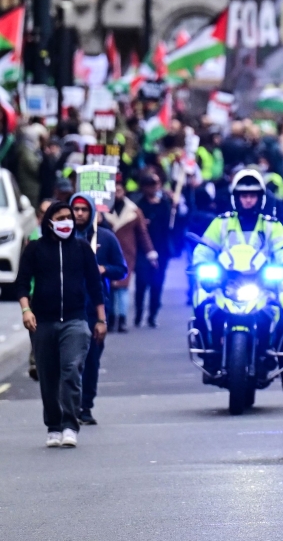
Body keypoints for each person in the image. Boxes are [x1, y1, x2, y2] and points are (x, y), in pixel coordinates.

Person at [192, 170, 283, 408]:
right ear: (235, 197)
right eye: (243, 195)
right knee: (202, 307)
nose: (248, 200)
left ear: (261, 198)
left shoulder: (271, 225)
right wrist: (201, 264)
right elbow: (204, 248)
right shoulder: (222, 223)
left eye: (252, 195)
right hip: (227, 284)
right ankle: (210, 358)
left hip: (262, 286)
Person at [16, 201, 106, 448]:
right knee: (48, 377)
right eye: (60, 218)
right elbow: (21, 283)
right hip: (43, 322)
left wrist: (101, 319)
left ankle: (70, 425)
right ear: (49, 222)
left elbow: (95, 286)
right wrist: (26, 310)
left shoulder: (82, 248)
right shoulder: (35, 249)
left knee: (71, 369)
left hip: (75, 320)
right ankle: (54, 426)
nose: (66, 221)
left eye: (69, 217)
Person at [70, 193, 128, 425]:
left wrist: (104, 269)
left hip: (96, 308)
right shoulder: (63, 239)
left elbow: (121, 269)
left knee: (91, 359)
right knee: (69, 361)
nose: (79, 214)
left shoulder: (106, 238)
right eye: (76, 209)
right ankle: (69, 405)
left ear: (92, 212)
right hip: (68, 308)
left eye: (84, 210)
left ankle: (86, 406)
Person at [102, 179, 157, 333]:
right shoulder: (102, 211)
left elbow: (143, 233)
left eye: (119, 190)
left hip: (126, 253)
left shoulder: (134, 211)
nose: (117, 193)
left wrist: (150, 253)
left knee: (123, 287)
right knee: (109, 286)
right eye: (114, 191)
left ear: (124, 191)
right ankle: (111, 318)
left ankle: (122, 318)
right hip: (107, 252)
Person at [134, 173, 173, 327]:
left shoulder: (165, 204)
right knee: (141, 282)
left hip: (161, 249)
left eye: (155, 184)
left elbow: (172, 224)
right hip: (143, 249)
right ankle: (138, 314)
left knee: (157, 283)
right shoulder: (139, 205)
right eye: (150, 185)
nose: (153, 188)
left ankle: (152, 315)